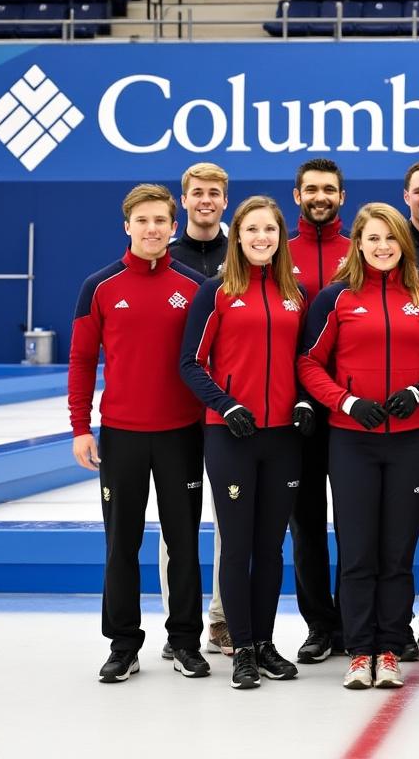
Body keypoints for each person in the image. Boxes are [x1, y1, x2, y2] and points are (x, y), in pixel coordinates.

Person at [299, 202, 419, 690]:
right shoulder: (336, 299)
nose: (383, 247)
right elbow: (308, 364)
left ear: (403, 243)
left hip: (413, 441)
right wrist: (345, 403)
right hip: (352, 443)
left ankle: (388, 646)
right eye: (373, 239)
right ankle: (358, 648)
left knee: (397, 550)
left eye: (391, 238)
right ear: (359, 244)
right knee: (358, 549)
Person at [70, 184, 207, 683]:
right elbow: (83, 360)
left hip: (181, 435)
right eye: (142, 221)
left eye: (161, 221)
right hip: (123, 436)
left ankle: (186, 640)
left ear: (174, 227)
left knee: (184, 543)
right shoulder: (100, 286)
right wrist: (81, 427)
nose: (152, 229)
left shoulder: (194, 287)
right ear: (127, 226)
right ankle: (124, 643)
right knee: (120, 543)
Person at [179, 195, 310, 689]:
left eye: (270, 230)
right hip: (231, 435)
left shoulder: (293, 293)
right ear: (238, 236)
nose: (262, 238)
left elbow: (304, 361)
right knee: (237, 546)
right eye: (252, 229)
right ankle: (240, 650)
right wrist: (226, 405)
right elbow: (190, 362)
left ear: (280, 237)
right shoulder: (216, 292)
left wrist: (302, 401)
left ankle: (264, 643)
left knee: (272, 547)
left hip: (282, 439)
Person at [162, 161, 232, 660]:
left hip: (233, 411)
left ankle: (223, 620)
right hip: (179, 413)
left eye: (214, 193)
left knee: (231, 520)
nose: (205, 201)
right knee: (177, 526)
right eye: (196, 193)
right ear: (182, 200)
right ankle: (178, 624)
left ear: (224, 201)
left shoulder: (246, 251)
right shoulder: (162, 256)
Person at [286, 158, 350, 664]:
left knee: (354, 523)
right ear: (298, 196)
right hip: (296, 414)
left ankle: (355, 619)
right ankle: (319, 626)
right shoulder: (281, 254)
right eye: (312, 189)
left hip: (351, 411)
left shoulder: (361, 252)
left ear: (342, 197)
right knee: (306, 525)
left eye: (329, 189)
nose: (320, 196)